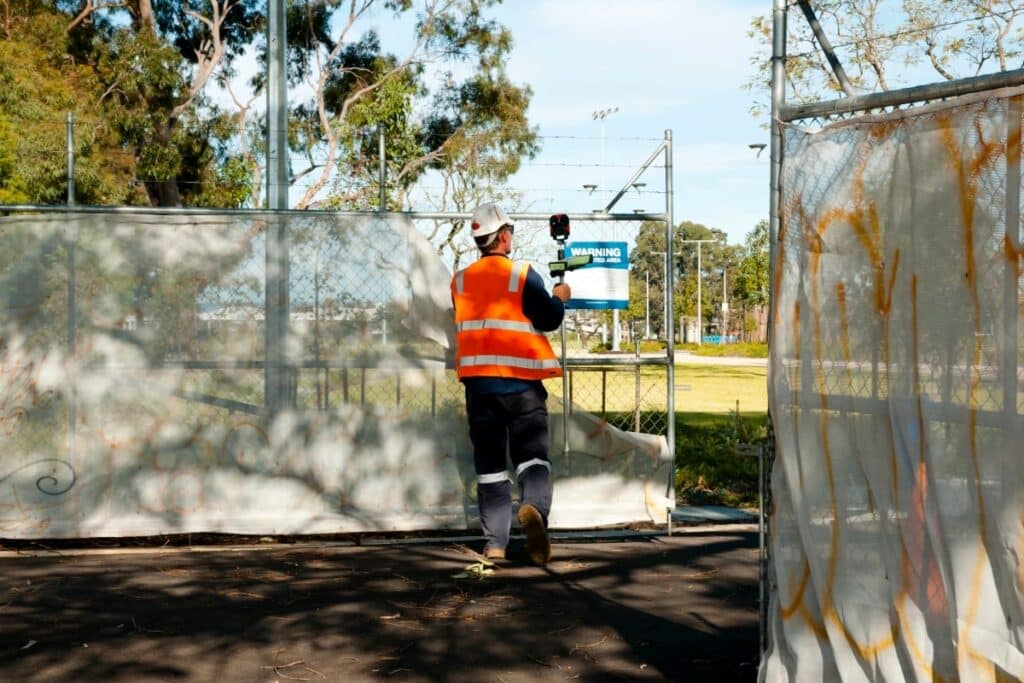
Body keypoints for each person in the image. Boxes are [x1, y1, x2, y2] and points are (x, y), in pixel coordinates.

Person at [450, 203, 571, 565]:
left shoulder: (459, 281)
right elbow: (548, 318)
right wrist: (560, 297)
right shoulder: (522, 274)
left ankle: (496, 546)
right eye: (511, 231)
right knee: (532, 457)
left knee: (489, 466)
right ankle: (533, 508)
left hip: (480, 389)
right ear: (503, 236)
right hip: (522, 386)